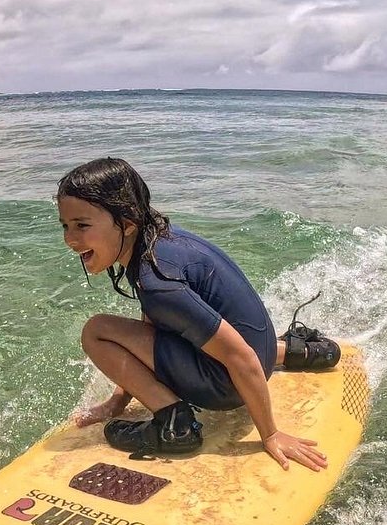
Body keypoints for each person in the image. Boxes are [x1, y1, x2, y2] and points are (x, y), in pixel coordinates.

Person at [56, 157, 342, 472]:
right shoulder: (160, 240)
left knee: (96, 330)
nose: (70, 239)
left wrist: (271, 434)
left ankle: (173, 423)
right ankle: (297, 351)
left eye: (82, 225)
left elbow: (238, 356)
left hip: (231, 383)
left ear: (126, 224)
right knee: (193, 330)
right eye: (66, 226)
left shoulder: (157, 283)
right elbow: (151, 330)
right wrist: (118, 401)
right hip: (262, 350)